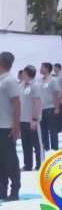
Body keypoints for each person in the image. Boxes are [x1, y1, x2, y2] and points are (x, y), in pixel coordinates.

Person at [0, 52, 21, 201]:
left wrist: (16, 125)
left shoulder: (10, 81)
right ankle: (2, 189)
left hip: (6, 126)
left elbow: (16, 103)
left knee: (10, 160)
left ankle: (14, 190)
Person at [18, 65, 43, 172]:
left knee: (36, 144)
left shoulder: (35, 85)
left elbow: (37, 102)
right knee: (26, 143)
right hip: (22, 119)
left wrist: (34, 118)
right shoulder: (21, 85)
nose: (21, 74)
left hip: (32, 120)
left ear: (28, 73)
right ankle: (27, 164)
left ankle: (40, 164)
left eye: (23, 72)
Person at [38, 62, 60, 151]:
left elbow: (56, 94)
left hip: (50, 108)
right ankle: (45, 148)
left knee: (52, 130)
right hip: (41, 109)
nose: (40, 69)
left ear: (46, 69)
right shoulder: (39, 81)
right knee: (43, 130)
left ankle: (55, 148)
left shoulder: (53, 80)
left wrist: (57, 107)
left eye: (42, 67)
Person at [53, 63, 62, 132]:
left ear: (58, 68)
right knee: (56, 112)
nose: (53, 69)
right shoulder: (55, 76)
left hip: (60, 96)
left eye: (54, 67)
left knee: (61, 112)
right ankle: (58, 127)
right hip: (55, 97)